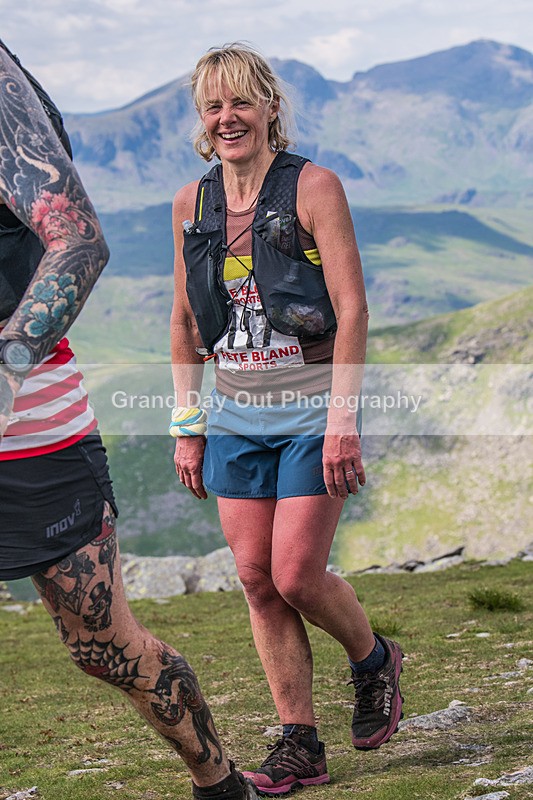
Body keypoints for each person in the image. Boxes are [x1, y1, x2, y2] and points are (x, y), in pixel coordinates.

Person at [0, 39, 257, 800]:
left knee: (101, 644)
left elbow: (78, 240)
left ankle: (220, 783)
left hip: (31, 430)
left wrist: (7, 364)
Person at [170, 43, 404, 796]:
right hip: (235, 413)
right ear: (202, 120)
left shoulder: (313, 186)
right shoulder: (192, 203)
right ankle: (299, 744)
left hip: (311, 409)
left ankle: (373, 661)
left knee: (296, 573)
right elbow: (182, 323)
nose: (227, 117)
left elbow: (352, 308)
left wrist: (343, 420)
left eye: (241, 101)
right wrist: (188, 423)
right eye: (214, 106)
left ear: (269, 105)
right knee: (255, 580)